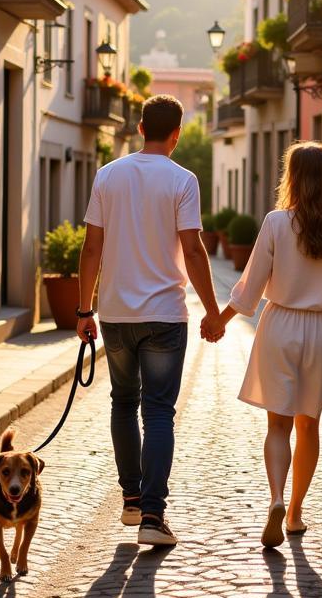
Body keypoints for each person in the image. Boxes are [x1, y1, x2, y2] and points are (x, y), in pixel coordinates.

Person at [77, 94, 222, 547]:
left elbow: (91, 248)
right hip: (164, 315)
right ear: (177, 134)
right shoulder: (183, 180)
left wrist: (85, 310)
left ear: (140, 128)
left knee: (124, 402)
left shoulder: (108, 175)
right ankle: (153, 518)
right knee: (158, 411)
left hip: (116, 314)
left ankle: (132, 499)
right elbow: (194, 250)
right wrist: (213, 311)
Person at [206, 141, 322, 548]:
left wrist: (218, 321)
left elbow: (250, 287)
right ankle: (294, 513)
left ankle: (275, 497)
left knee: (277, 424)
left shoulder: (277, 222)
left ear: (292, 178)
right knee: (308, 423)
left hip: (280, 325)